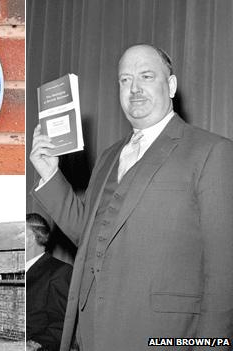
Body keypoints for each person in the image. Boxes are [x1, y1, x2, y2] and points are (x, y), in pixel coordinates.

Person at [30, 44, 233, 350]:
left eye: (146, 76)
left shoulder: (212, 151)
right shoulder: (110, 155)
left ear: (172, 85)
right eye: (125, 80)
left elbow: (224, 273)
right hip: (92, 334)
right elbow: (90, 236)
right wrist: (50, 175)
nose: (134, 88)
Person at [26, 213, 72, 351]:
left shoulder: (60, 272)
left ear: (29, 238)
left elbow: (62, 324)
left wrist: (36, 344)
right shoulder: (23, 272)